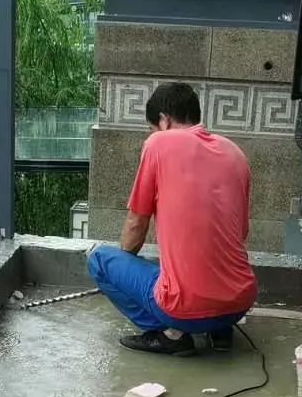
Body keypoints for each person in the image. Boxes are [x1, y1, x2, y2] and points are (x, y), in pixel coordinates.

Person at [87, 81, 256, 356]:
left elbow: (135, 226)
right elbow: (240, 234)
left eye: (152, 127)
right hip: (238, 304)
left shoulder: (159, 143)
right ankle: (219, 333)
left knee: (100, 261)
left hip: (186, 311)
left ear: (163, 121)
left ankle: (171, 335)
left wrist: (126, 268)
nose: (151, 134)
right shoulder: (235, 152)